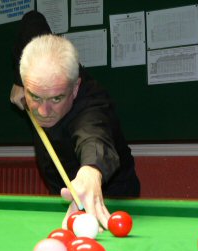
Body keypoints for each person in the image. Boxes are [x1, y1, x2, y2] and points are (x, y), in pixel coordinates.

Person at [10, 11, 140, 229]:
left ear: (75, 88)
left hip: (111, 199)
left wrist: (91, 171)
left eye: (56, 98)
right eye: (35, 96)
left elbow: (93, 135)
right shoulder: (36, 63)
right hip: (62, 192)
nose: (43, 111)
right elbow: (32, 20)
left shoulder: (90, 103)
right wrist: (18, 81)